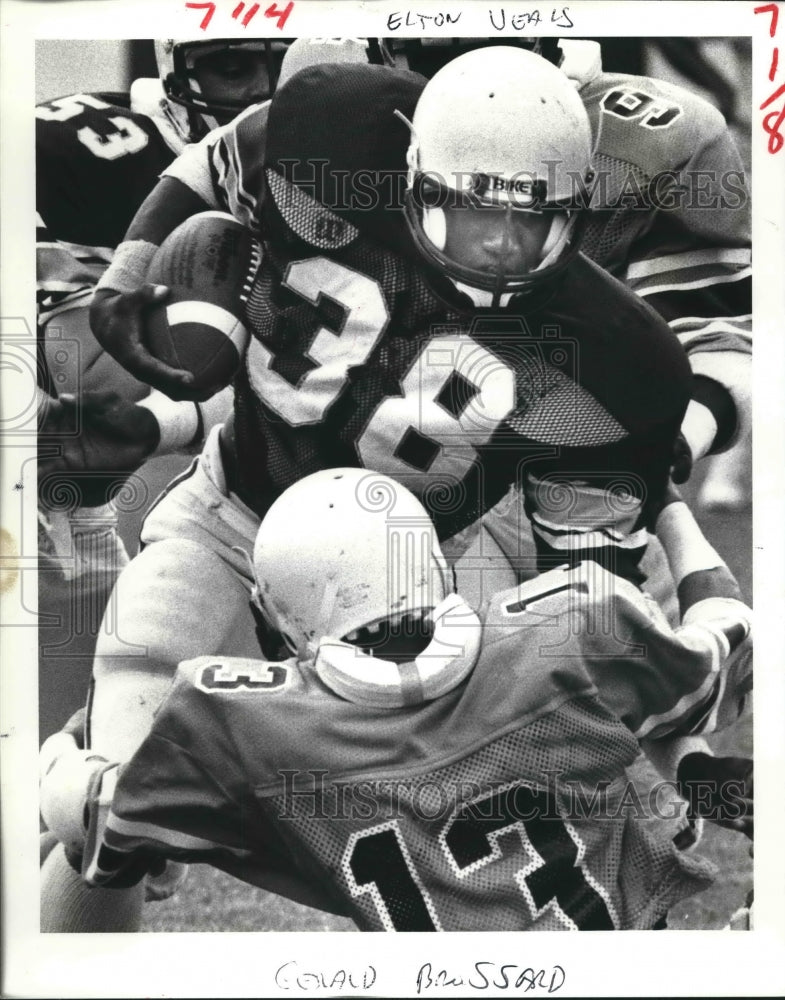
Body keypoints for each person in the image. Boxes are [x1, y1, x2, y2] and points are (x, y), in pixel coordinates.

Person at [40, 468, 753, 931]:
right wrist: (668, 512)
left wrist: (63, 758)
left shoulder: (242, 722)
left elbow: (100, 828)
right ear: (436, 564)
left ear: (272, 615)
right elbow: (726, 652)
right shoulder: (571, 622)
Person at [88, 37, 750, 514]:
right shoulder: (340, 108)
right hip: (310, 483)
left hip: (531, 479)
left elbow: (724, 336)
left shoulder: (648, 142)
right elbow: (214, 168)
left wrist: (677, 436)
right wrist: (125, 282)